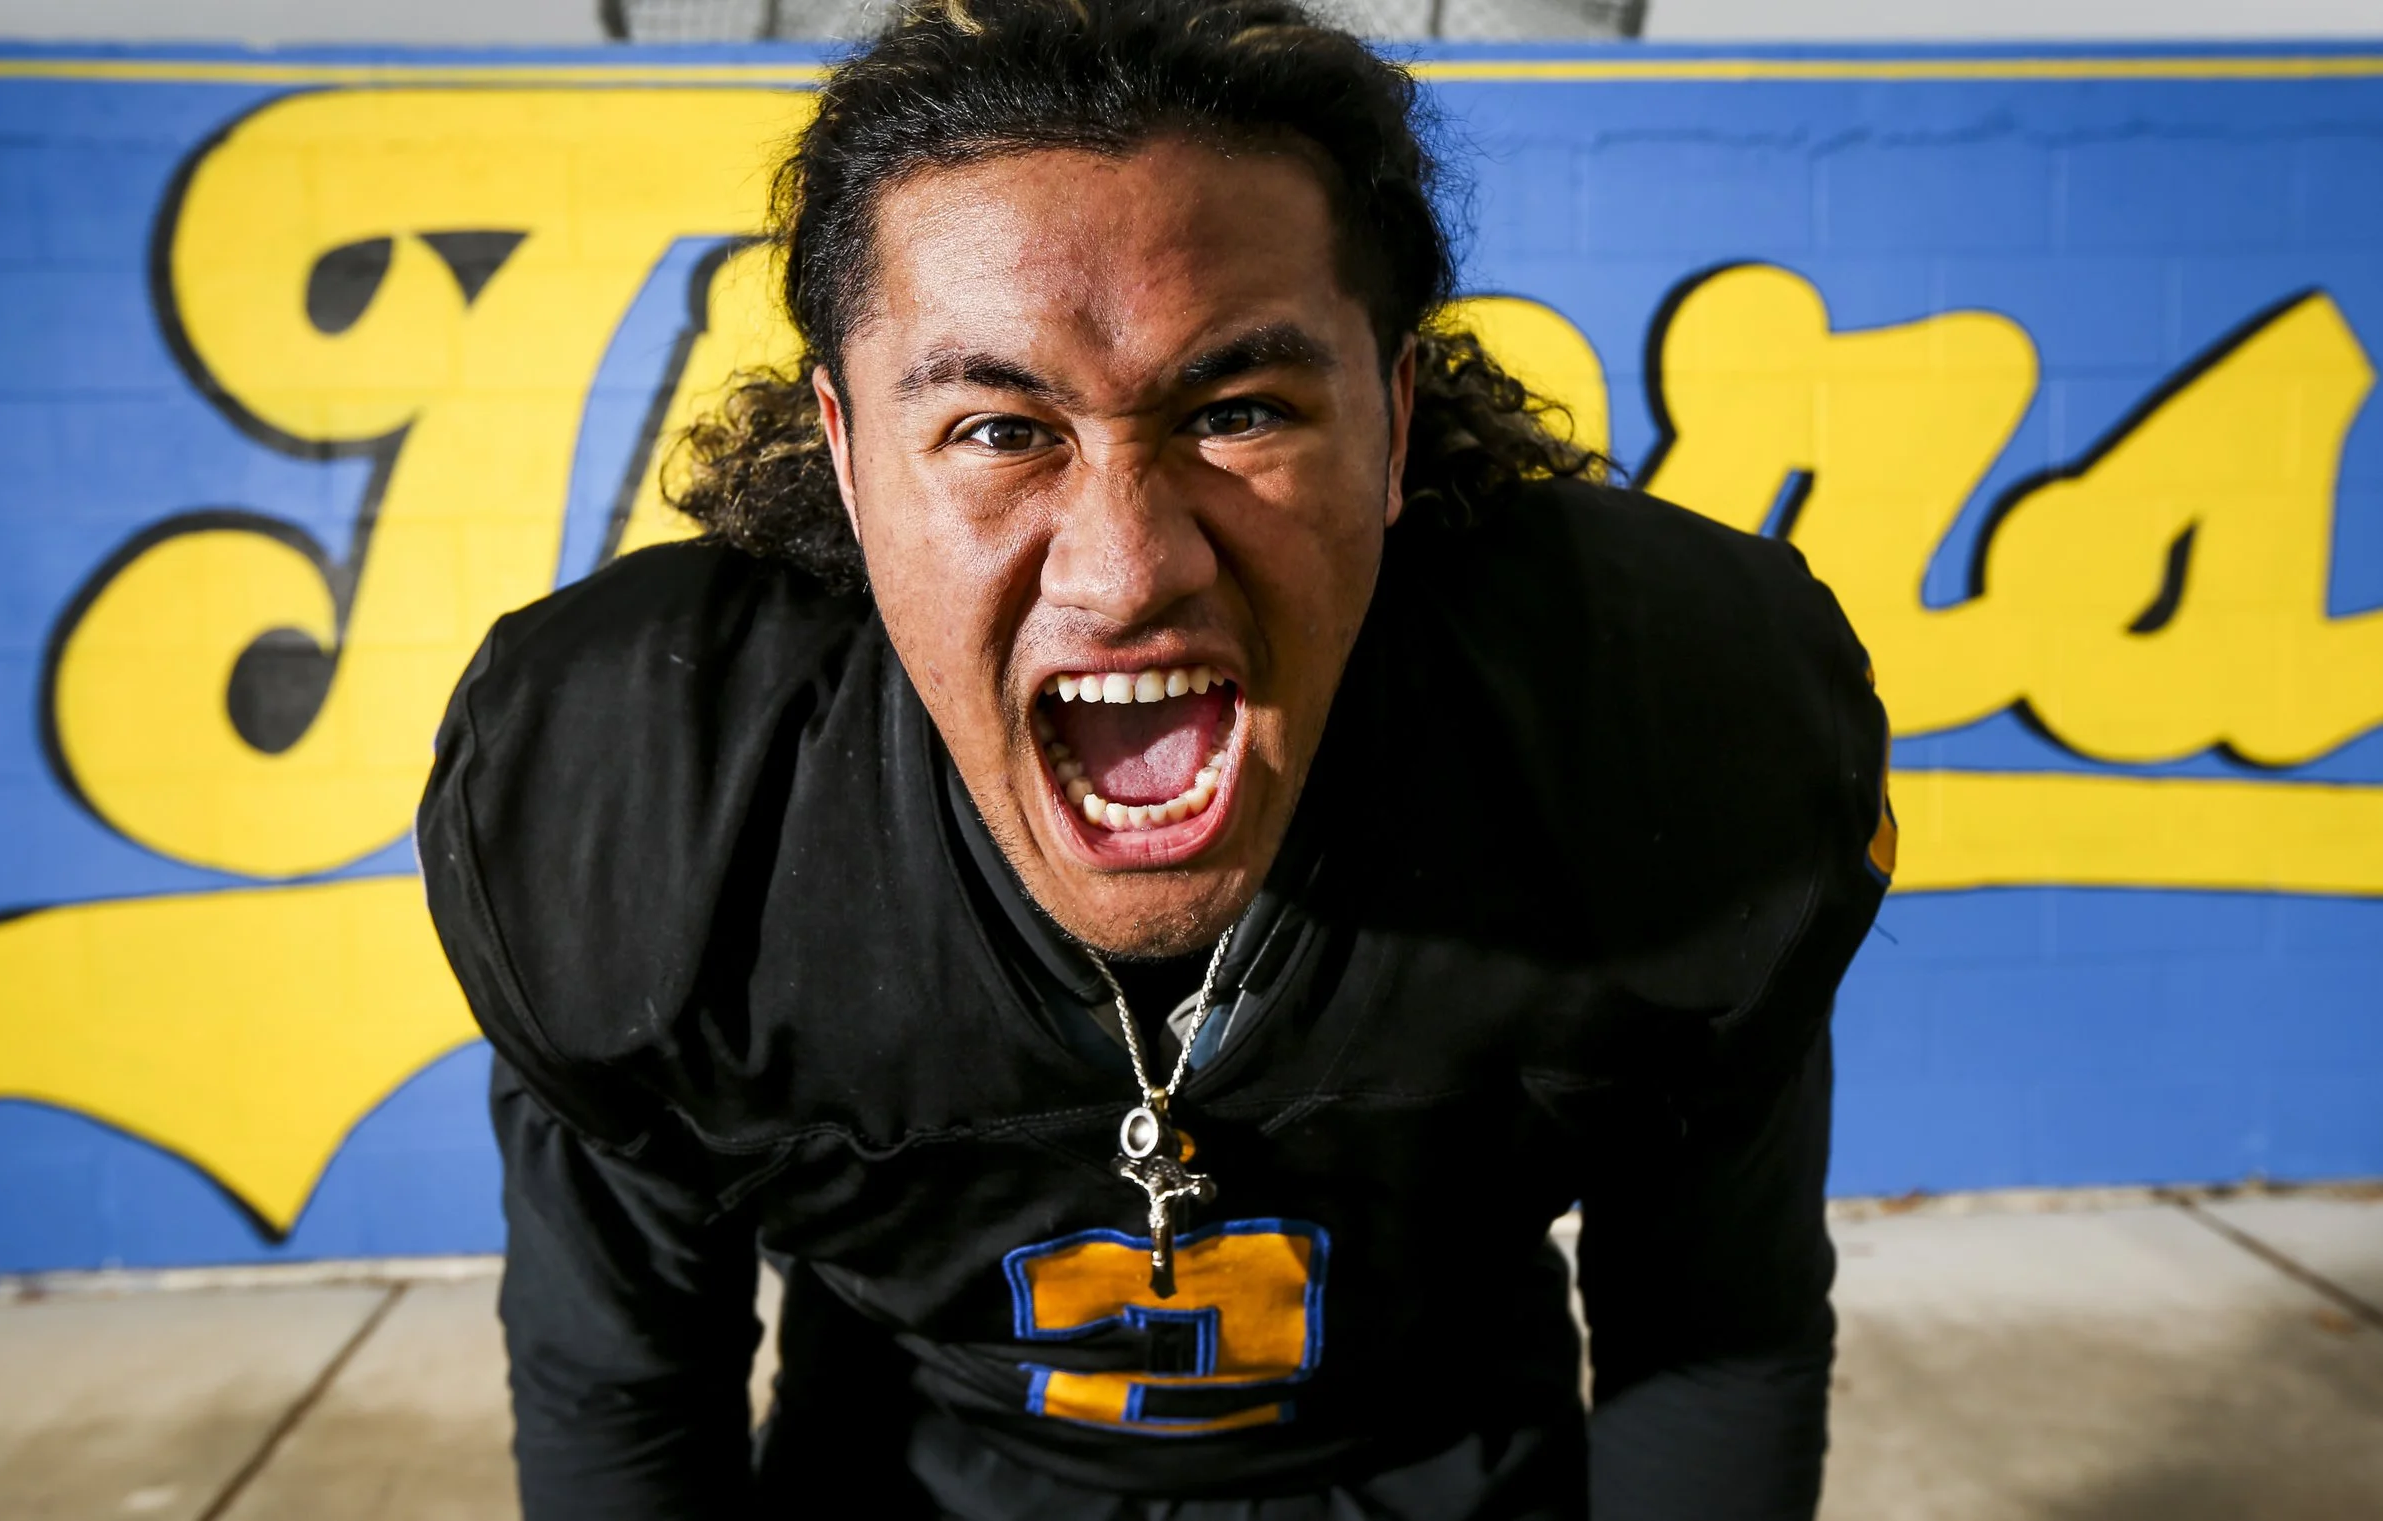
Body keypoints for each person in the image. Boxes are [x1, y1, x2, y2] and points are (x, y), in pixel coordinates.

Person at [416, 0, 1896, 1515]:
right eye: (999, 429)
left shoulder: (1662, 732)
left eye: (1240, 410)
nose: (1126, 570)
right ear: (849, 458)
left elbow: (1714, 1339)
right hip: (917, 1468)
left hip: (1443, 1459)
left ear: (1391, 424)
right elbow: (623, 1386)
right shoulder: (646, 803)